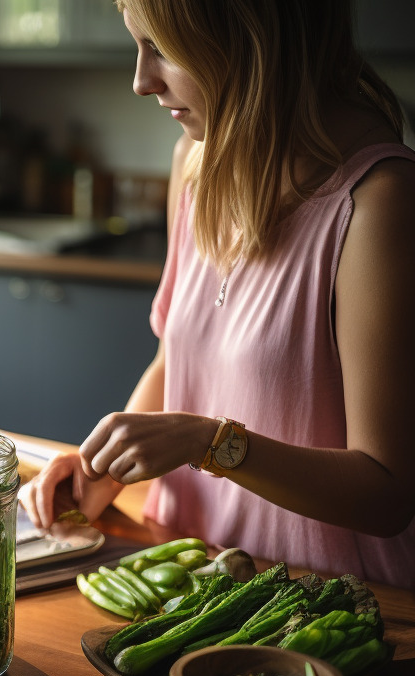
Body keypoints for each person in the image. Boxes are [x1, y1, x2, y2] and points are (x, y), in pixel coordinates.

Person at [21, 0, 415, 590]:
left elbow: (386, 495)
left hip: (322, 615)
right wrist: (102, 471)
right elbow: (175, 362)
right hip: (183, 581)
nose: (140, 80)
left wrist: (208, 442)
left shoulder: (380, 202)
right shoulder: (196, 159)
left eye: (163, 49)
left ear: (255, 45)